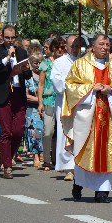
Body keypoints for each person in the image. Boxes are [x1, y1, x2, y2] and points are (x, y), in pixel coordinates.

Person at [62, 34, 112, 203]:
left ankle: (103, 191)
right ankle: (78, 184)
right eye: (101, 44)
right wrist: (91, 88)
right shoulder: (80, 65)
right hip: (87, 116)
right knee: (85, 150)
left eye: (107, 45)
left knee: (108, 151)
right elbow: (70, 86)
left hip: (109, 116)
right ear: (93, 47)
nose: (105, 47)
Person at [0, 25, 31, 179]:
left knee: (18, 130)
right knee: (6, 131)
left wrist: (25, 68)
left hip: (18, 93)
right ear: (2, 36)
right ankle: (7, 166)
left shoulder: (21, 52)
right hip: (3, 94)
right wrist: (7, 58)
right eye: (7, 37)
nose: (10, 40)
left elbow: (28, 75)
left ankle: (7, 156)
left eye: (13, 38)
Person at [51, 35, 80, 180]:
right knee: (66, 133)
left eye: (77, 46)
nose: (75, 49)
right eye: (72, 46)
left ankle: (80, 165)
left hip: (81, 103)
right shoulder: (59, 62)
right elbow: (57, 84)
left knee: (80, 133)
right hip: (64, 103)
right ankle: (68, 167)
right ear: (66, 47)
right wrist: (74, 83)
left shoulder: (84, 62)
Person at [37, 37, 63, 171]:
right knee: (48, 131)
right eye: (57, 47)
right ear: (53, 48)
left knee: (61, 132)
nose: (60, 50)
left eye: (62, 47)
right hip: (48, 100)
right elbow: (41, 85)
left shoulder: (66, 63)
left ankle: (58, 159)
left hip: (63, 100)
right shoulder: (45, 63)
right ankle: (46, 160)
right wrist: (40, 102)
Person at [25, 52, 44, 168]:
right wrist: (39, 99)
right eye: (35, 63)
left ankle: (43, 153)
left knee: (44, 130)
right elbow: (26, 95)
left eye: (40, 63)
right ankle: (35, 156)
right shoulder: (28, 77)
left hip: (45, 106)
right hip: (31, 107)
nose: (38, 65)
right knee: (34, 130)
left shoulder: (45, 75)